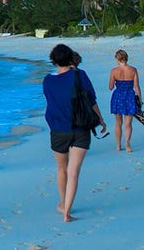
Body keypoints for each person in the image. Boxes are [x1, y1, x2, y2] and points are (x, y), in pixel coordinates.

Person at [43, 44, 106, 222]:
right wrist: (100, 119)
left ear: (53, 60)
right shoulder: (80, 74)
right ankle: (66, 212)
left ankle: (63, 203)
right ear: (71, 58)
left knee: (61, 168)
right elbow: (91, 100)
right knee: (73, 171)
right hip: (80, 128)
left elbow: (51, 101)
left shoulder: (47, 80)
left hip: (58, 129)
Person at [108, 49, 142, 152]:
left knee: (118, 122)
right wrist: (140, 99)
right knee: (128, 123)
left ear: (118, 58)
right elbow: (136, 86)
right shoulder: (133, 70)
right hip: (129, 95)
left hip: (118, 95)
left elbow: (110, 87)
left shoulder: (114, 71)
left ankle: (118, 145)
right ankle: (127, 143)